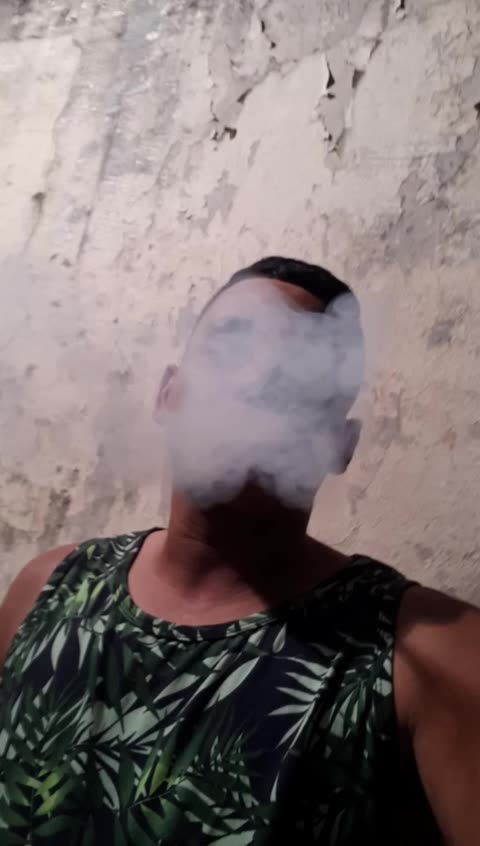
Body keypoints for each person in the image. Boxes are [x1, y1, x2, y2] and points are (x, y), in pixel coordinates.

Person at [0, 257, 479, 846]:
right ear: (168, 394)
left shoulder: (430, 658)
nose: (258, 381)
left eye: (299, 368)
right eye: (231, 346)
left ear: (341, 444)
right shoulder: (45, 590)